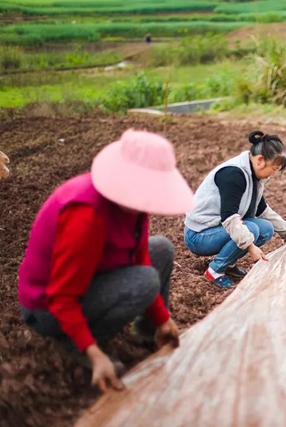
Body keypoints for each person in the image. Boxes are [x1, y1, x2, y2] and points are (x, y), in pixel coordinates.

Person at [18, 129, 194, 393]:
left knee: (161, 248)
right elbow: (61, 296)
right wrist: (94, 354)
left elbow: (141, 256)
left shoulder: (133, 206)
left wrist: (161, 317)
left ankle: (149, 332)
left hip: (91, 276)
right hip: (47, 308)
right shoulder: (86, 216)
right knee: (144, 281)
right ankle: (77, 342)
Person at [184, 131, 286, 288]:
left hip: (218, 229)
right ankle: (215, 270)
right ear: (260, 161)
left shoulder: (254, 175)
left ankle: (229, 264)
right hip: (199, 235)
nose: (273, 174)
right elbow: (229, 217)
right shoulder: (234, 174)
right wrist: (250, 247)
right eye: (273, 168)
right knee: (251, 229)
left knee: (266, 228)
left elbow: (261, 209)